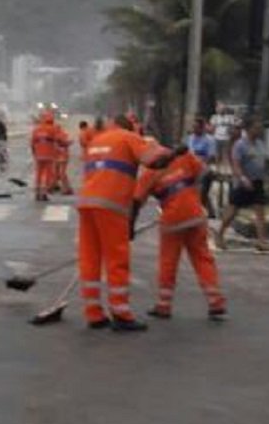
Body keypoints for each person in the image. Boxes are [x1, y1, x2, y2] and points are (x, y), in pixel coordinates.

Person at [76, 114, 172, 332]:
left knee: (90, 258)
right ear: (130, 127)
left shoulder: (96, 141)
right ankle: (121, 313)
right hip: (111, 205)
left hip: (86, 203)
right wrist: (170, 153)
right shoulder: (127, 137)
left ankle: (93, 314)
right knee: (116, 258)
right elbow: (153, 160)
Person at [135, 148, 228, 321]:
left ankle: (164, 305)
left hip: (172, 221)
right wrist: (196, 196)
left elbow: (136, 201)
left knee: (168, 261)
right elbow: (205, 173)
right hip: (195, 215)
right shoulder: (184, 157)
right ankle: (216, 301)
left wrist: (128, 226)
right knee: (203, 258)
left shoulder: (149, 173)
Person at [217, 118, 269, 253]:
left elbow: (265, 162)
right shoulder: (240, 145)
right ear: (248, 129)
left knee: (260, 212)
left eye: (260, 128)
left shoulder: (260, 144)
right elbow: (236, 165)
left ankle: (261, 241)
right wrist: (243, 178)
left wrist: (268, 175)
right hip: (243, 183)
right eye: (256, 127)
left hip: (257, 182)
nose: (259, 130)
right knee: (232, 212)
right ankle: (220, 234)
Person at [186, 117, 218, 218]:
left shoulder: (209, 140)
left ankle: (199, 211)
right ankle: (210, 212)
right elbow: (188, 153)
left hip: (205, 168)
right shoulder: (190, 138)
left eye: (196, 128)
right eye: (193, 127)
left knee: (202, 187)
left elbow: (211, 157)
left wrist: (201, 165)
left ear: (202, 128)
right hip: (191, 168)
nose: (194, 130)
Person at [31, 110, 60, 201]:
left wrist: (34, 153)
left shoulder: (36, 130)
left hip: (39, 155)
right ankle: (44, 193)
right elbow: (58, 141)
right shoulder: (53, 129)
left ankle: (37, 193)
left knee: (38, 174)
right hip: (49, 155)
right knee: (47, 174)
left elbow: (32, 143)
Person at [209, 103, 236, 171]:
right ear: (217, 109)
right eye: (220, 108)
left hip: (226, 138)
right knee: (217, 155)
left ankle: (225, 171)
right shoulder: (214, 117)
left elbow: (232, 128)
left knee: (225, 155)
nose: (221, 110)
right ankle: (217, 170)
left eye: (223, 108)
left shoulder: (230, 118)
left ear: (225, 109)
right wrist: (212, 131)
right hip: (217, 138)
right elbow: (212, 128)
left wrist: (230, 131)